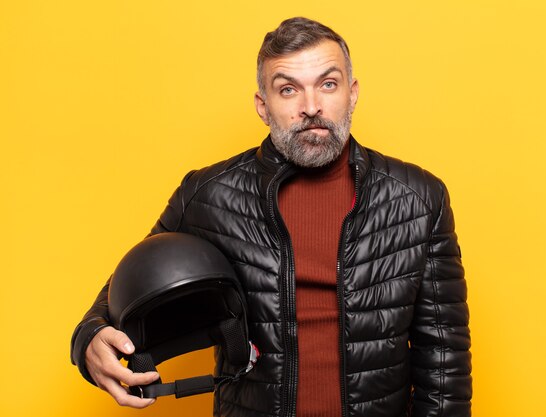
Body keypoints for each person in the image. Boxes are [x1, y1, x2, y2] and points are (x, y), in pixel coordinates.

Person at [71, 17, 472, 417]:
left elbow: (443, 360)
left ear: (352, 94)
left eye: (327, 84)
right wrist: (89, 337)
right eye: (288, 89)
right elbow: (126, 288)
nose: (311, 106)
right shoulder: (210, 193)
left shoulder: (419, 197)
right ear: (263, 106)